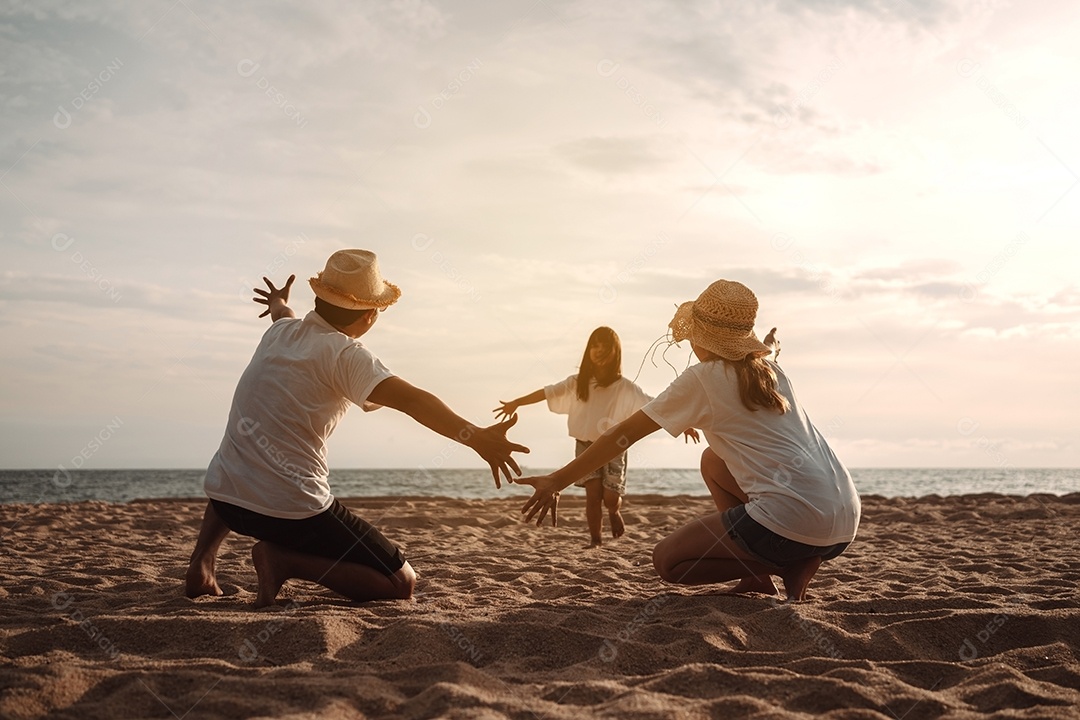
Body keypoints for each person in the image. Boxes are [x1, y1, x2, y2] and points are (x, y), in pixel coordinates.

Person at [185, 249, 528, 608]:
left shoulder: (281, 333)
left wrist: (278, 301)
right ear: (369, 316)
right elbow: (414, 401)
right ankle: (283, 560)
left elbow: (282, 314)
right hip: (292, 514)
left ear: (318, 301)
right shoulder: (347, 355)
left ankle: (201, 562)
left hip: (226, 499)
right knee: (400, 582)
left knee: (236, 459)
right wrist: (475, 437)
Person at [520, 280, 860, 601]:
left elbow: (621, 436)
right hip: (845, 518)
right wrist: (770, 343)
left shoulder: (703, 377)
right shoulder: (769, 368)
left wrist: (557, 480)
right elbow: (768, 351)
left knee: (668, 562)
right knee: (712, 461)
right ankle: (758, 576)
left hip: (793, 522)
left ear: (699, 337)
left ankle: (786, 565)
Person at [495, 327, 697, 547]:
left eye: (605, 346)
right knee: (592, 495)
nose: (599, 350)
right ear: (588, 350)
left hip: (615, 447)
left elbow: (654, 404)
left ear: (615, 352)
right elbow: (547, 392)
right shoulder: (577, 382)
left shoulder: (624, 386)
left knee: (610, 498)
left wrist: (683, 422)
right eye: (595, 345)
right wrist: (517, 402)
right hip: (585, 444)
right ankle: (595, 540)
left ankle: (614, 511)